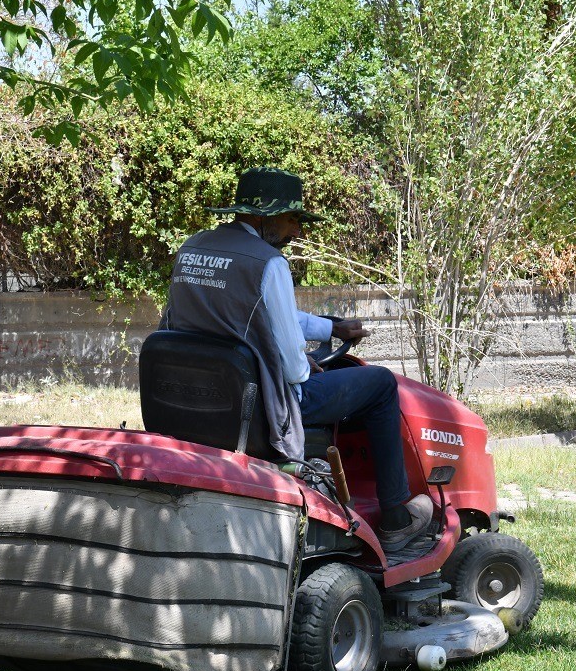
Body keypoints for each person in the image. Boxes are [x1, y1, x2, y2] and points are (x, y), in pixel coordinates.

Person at [160, 167, 433, 550]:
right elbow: (292, 370)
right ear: (262, 215)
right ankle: (395, 517)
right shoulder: (269, 263)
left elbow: (265, 314)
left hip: (200, 398)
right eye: (292, 219)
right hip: (261, 407)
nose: (298, 231)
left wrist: (331, 328)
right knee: (382, 385)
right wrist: (306, 365)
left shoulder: (194, 249)